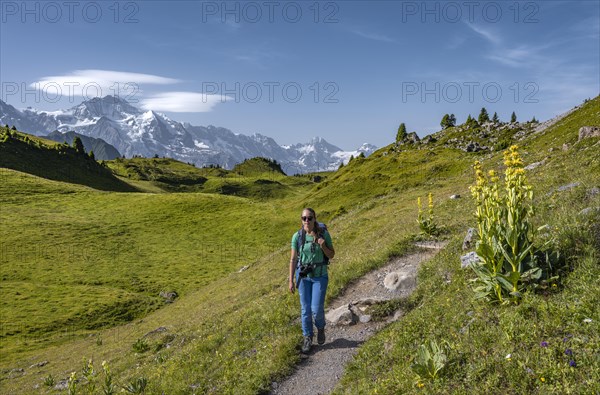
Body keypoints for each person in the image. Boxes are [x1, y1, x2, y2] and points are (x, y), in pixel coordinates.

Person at [288, 208, 335, 353]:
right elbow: (293, 259)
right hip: (303, 277)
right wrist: (291, 280)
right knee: (305, 309)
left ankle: (320, 327)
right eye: (304, 218)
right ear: (301, 220)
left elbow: (331, 254)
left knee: (316, 309)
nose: (306, 221)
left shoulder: (324, 234)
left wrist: (322, 245)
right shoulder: (298, 236)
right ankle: (307, 337)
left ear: (315, 219)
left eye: (309, 218)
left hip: (320, 276)